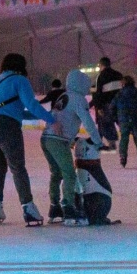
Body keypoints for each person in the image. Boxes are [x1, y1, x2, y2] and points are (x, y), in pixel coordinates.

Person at [0, 53, 57, 227]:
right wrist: (51, 119)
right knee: (17, 168)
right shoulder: (20, 80)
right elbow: (31, 104)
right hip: (6, 128)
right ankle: (28, 209)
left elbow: (17, 110)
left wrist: (39, 117)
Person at [40, 70, 100, 224]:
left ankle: (54, 207)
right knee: (69, 173)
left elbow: (64, 118)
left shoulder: (64, 95)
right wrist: (97, 140)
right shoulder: (79, 99)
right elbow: (87, 121)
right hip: (58, 140)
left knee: (56, 173)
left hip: (46, 138)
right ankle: (68, 206)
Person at [92, 58, 124, 146]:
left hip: (107, 104)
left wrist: (99, 107)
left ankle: (112, 143)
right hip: (119, 104)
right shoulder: (119, 75)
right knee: (121, 123)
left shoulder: (101, 76)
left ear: (102, 65)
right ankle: (125, 140)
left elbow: (99, 93)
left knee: (107, 124)